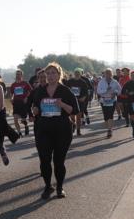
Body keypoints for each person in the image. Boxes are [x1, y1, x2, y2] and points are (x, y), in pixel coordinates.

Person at [29, 62, 80, 199]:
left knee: (59, 161)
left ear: (59, 75)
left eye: (53, 73)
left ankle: (59, 187)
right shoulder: (40, 90)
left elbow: (74, 110)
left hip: (62, 130)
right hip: (43, 130)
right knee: (44, 160)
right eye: (48, 73)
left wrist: (61, 104)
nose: (50, 76)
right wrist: (34, 111)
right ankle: (47, 186)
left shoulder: (65, 91)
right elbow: (34, 108)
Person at [64, 69, 91, 136]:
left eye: (78, 74)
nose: (76, 75)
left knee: (78, 116)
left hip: (79, 101)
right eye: (75, 74)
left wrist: (84, 98)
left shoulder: (83, 82)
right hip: (71, 101)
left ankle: (78, 130)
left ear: (80, 75)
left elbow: (86, 92)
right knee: (72, 116)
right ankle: (73, 126)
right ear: (74, 74)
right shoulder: (70, 81)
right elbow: (66, 90)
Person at [96, 68, 122, 139]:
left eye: (110, 74)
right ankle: (108, 127)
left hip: (112, 100)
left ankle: (109, 130)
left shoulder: (115, 82)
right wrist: (105, 90)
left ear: (112, 74)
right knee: (106, 116)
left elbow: (120, 90)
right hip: (104, 101)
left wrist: (115, 92)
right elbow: (98, 91)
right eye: (107, 73)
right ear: (104, 74)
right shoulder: (101, 82)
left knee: (110, 114)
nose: (108, 75)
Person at [9, 70, 33, 137]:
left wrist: (26, 98)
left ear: (22, 75)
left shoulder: (25, 83)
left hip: (23, 103)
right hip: (16, 103)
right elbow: (11, 93)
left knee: (23, 120)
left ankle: (26, 126)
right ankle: (19, 133)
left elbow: (31, 91)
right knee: (15, 119)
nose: (18, 76)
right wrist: (11, 98)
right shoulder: (13, 85)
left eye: (19, 74)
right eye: (17, 74)